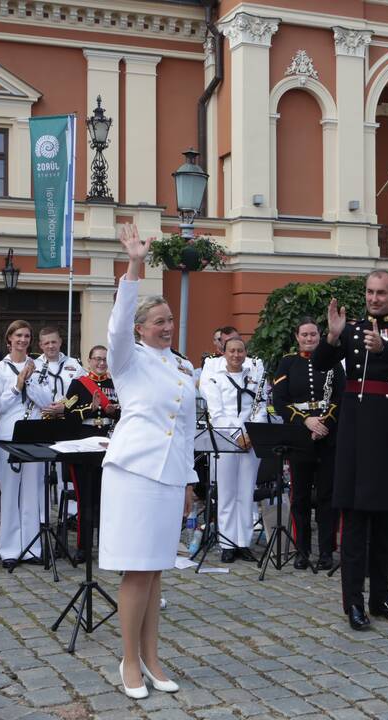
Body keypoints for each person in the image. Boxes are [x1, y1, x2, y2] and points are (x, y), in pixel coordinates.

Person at [101, 224, 194, 698]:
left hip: (169, 476)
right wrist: (135, 266)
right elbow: (115, 326)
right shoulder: (128, 357)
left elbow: (186, 429)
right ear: (140, 328)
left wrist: (189, 482)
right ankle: (129, 662)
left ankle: (153, 658)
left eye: (170, 319)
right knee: (137, 569)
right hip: (134, 473)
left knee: (157, 570)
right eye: (157, 321)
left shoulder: (182, 366)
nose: (166, 326)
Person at [312, 269, 388, 631]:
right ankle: (354, 604)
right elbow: (319, 366)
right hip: (356, 435)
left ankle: (381, 598)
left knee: (386, 523)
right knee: (357, 524)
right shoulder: (350, 328)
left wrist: (385, 348)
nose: (374, 298)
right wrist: (331, 337)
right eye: (369, 292)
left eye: (381, 293)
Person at [270, 318, 343, 571]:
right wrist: (306, 422)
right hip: (299, 438)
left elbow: (340, 397)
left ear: (320, 336)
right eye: (305, 335)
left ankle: (326, 552)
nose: (309, 339)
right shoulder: (288, 363)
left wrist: (324, 424)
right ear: (297, 336)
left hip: (328, 437)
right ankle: (302, 551)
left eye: (313, 334)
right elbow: (280, 401)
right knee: (299, 497)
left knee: (327, 498)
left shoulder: (333, 362)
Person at [0, 320, 53, 570]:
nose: (22, 340)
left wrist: (30, 380)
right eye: (18, 336)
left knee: (33, 492)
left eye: (26, 336)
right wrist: (17, 386)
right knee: (11, 491)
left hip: (33, 432)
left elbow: (47, 402)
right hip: (8, 434)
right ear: (9, 339)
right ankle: (10, 549)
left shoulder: (39, 367)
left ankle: (32, 548)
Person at [202, 337, 266, 563]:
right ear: (224, 353)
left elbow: (261, 405)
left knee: (246, 492)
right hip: (226, 438)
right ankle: (227, 543)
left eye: (240, 351)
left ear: (245, 352)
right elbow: (216, 411)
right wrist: (238, 435)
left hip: (251, 439)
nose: (236, 355)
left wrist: (252, 432)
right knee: (228, 493)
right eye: (232, 351)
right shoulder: (214, 377)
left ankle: (243, 542)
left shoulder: (255, 375)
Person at [62, 345, 119, 563]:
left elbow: (126, 412)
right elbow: (67, 413)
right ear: (89, 361)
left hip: (108, 444)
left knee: (107, 500)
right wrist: (89, 408)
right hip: (84, 444)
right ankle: (83, 547)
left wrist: (115, 411)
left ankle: (107, 546)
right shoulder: (78, 383)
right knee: (85, 499)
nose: (101, 363)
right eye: (97, 359)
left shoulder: (115, 384)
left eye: (105, 359)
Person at [34, 325, 86, 520]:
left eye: (54, 341)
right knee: (42, 470)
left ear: (60, 342)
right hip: (43, 421)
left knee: (67, 468)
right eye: (46, 343)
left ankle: (70, 515)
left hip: (67, 422)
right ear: (40, 345)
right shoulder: (34, 365)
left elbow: (83, 392)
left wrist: (65, 408)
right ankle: (42, 515)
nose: (51, 346)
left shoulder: (75, 365)